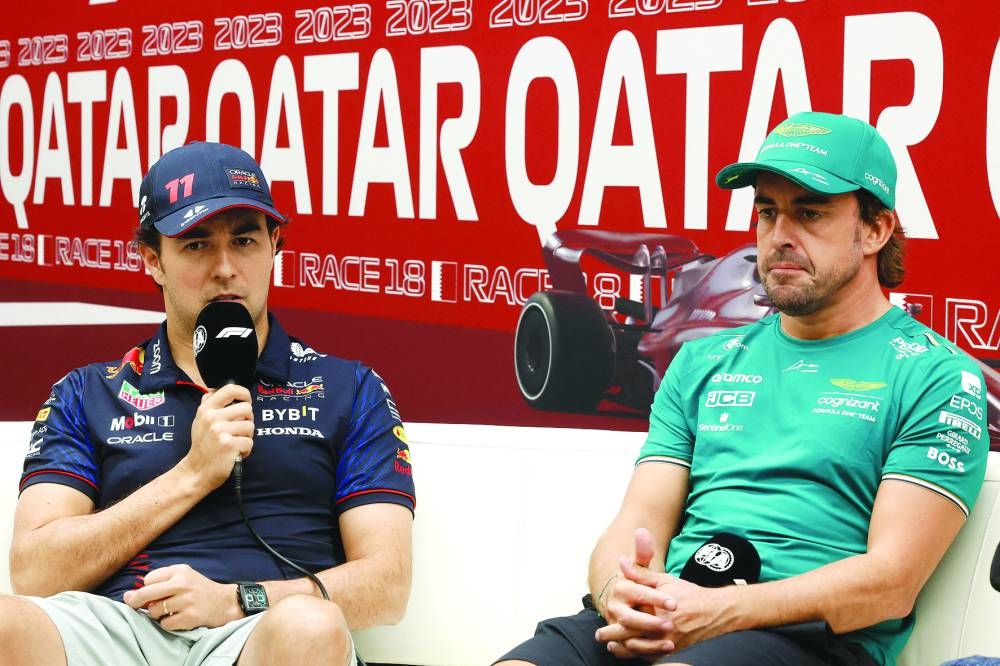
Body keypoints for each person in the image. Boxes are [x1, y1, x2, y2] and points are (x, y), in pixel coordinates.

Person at [495, 111, 989, 666]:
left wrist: (718, 612)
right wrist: (620, 596)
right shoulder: (701, 361)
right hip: (673, 612)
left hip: (806, 639)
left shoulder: (937, 376)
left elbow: (889, 583)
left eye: (809, 213)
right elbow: (635, 522)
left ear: (875, 230)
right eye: (767, 212)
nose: (779, 237)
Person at [0, 141, 415, 665]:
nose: (225, 268)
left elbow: (387, 584)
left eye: (244, 240)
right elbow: (35, 572)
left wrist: (235, 599)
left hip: (263, 630)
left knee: (310, 626)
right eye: (196, 245)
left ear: (275, 247)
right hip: (121, 627)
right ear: (153, 259)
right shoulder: (88, 391)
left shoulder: (349, 387)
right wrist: (192, 474)